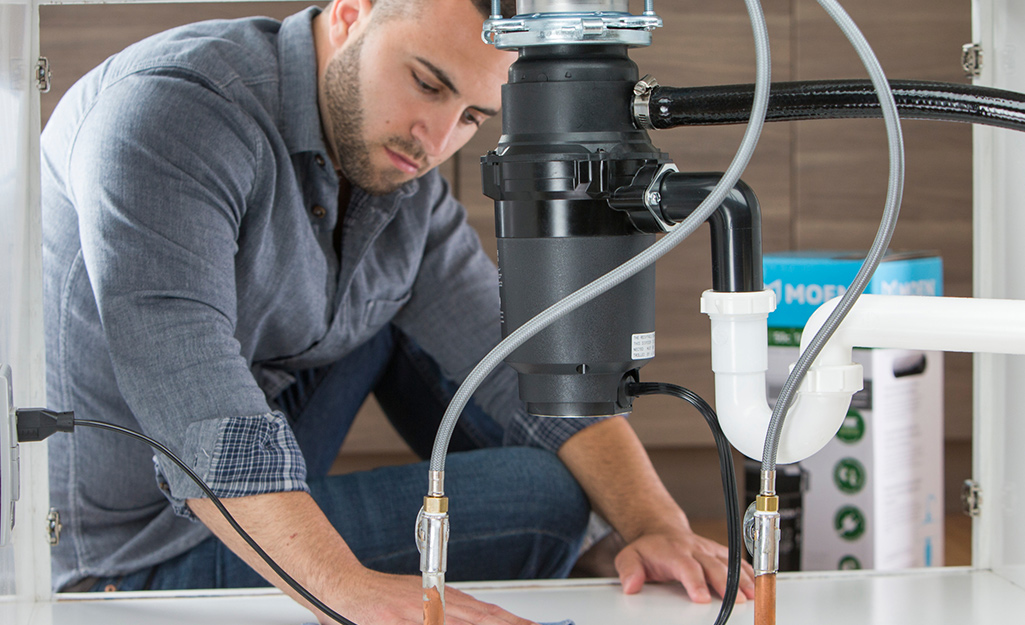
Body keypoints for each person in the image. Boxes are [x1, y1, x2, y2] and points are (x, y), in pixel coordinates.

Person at [40, 0, 755, 623]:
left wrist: (656, 523)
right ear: (351, 12)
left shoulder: (391, 165)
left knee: (435, 321)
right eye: (426, 82)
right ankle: (573, 541)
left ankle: (606, 546)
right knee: (546, 497)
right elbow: (199, 409)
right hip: (130, 554)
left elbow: (515, 356)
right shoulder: (170, 113)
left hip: (262, 432)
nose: (435, 139)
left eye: (471, 115)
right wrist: (348, 591)